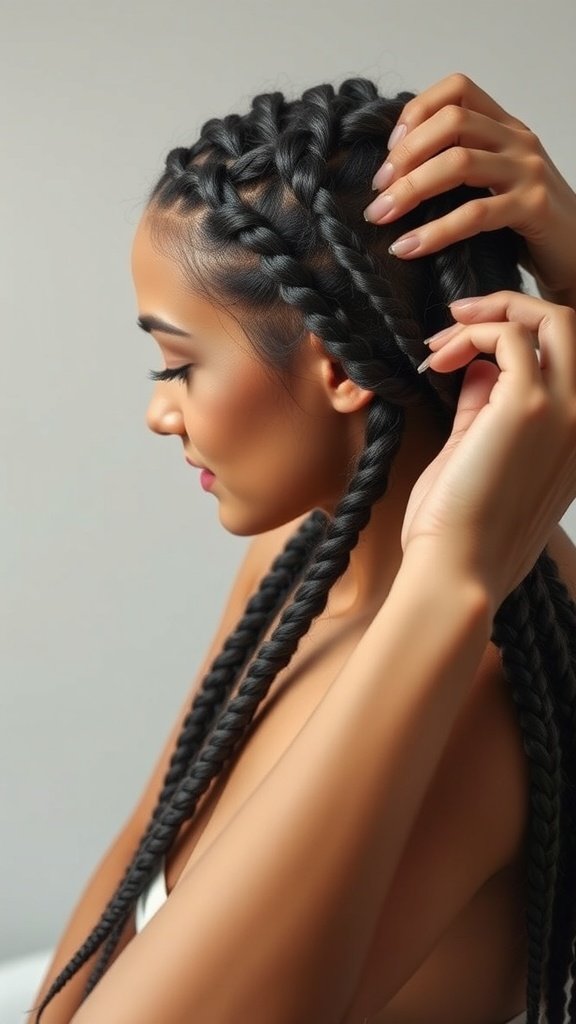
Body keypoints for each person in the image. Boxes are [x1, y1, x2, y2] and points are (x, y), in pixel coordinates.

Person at [29, 72, 576, 1024]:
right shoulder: (299, 558)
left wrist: (449, 588)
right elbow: (129, 881)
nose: (159, 412)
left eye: (179, 363)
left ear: (336, 368)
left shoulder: (478, 691)